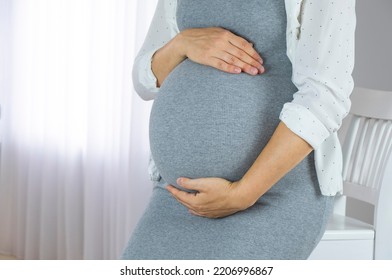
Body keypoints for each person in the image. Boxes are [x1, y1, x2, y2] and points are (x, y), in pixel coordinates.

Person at [122, 0, 356, 260]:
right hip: (178, 197)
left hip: (270, 193)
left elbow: (325, 97)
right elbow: (144, 79)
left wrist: (243, 193)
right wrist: (182, 44)